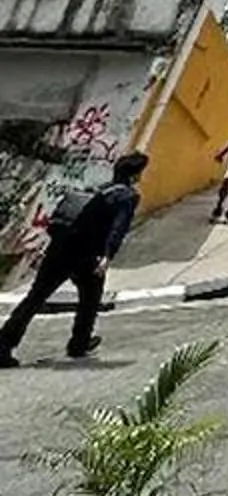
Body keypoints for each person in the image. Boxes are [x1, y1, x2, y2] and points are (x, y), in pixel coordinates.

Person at [0, 153, 150, 364]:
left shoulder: (100, 189)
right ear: (136, 175)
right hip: (87, 256)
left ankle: (3, 346)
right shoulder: (127, 197)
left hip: (59, 250)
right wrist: (107, 256)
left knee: (35, 298)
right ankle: (79, 344)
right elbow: (118, 228)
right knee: (90, 300)